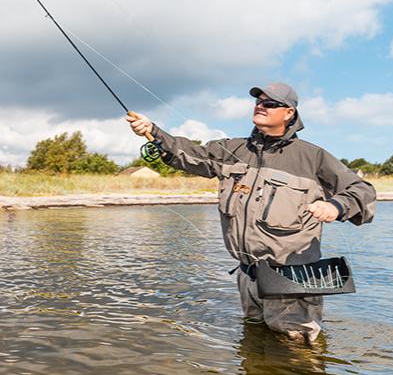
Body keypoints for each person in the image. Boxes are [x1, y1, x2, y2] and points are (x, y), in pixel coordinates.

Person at [126, 82, 376, 343]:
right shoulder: (233, 149)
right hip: (248, 278)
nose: (260, 106)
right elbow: (190, 154)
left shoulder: (313, 157)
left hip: (290, 282)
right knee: (254, 341)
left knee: (297, 354)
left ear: (289, 113)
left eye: (270, 103)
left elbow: (363, 191)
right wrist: (153, 131)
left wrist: (334, 206)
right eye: (258, 101)